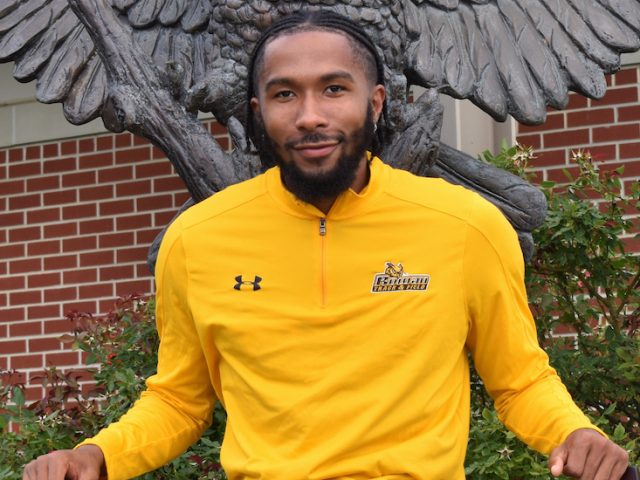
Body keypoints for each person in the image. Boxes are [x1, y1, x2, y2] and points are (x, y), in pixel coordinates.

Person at [23, 10, 631, 480]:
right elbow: (181, 401)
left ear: (376, 102)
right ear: (258, 112)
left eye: (334, 89)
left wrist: (572, 434)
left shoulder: (465, 226)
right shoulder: (197, 238)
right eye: (285, 94)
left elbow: (519, 381)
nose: (310, 114)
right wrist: (97, 456)